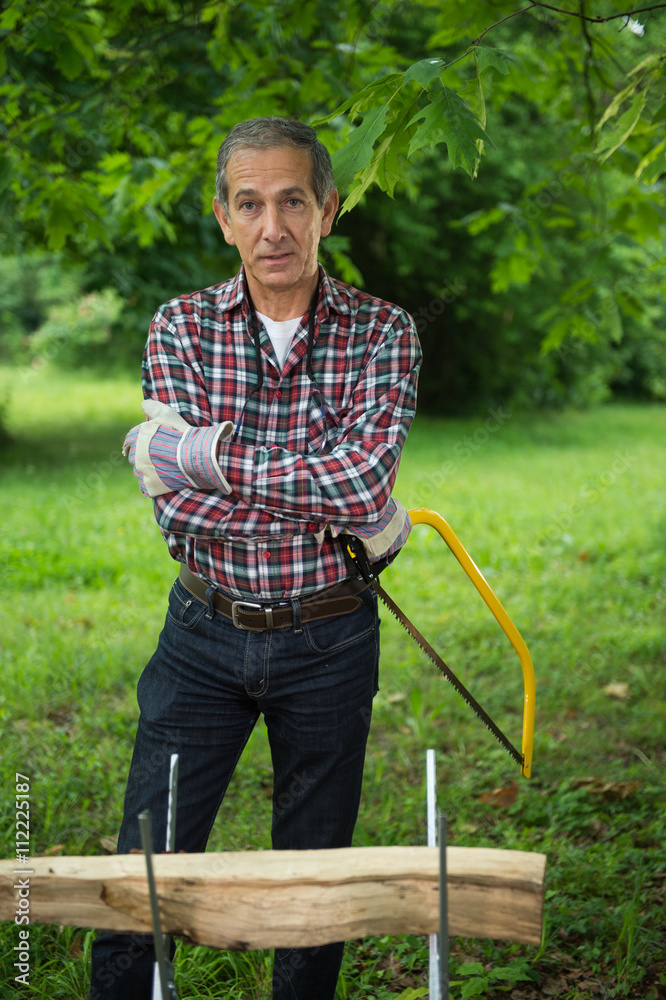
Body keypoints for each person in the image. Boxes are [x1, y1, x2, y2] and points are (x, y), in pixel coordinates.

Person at [89, 116, 421, 1000]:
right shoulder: (182, 327)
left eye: (292, 201)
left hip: (330, 643)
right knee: (145, 866)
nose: (272, 226)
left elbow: (360, 483)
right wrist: (327, 496)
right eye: (250, 204)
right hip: (202, 634)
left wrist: (202, 454)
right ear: (223, 216)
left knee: (314, 881)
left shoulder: (383, 333)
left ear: (327, 209)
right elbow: (183, 512)